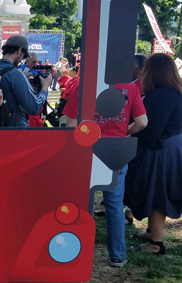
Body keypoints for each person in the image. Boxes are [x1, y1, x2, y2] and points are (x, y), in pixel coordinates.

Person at [64, 77, 147, 267]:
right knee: (115, 205)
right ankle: (117, 255)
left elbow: (70, 124)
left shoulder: (84, 84)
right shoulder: (130, 87)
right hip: (116, 151)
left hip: (87, 151)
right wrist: (124, 131)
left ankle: (75, 255)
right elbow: (142, 122)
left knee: (83, 205)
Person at [127, 53, 182, 255]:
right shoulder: (172, 91)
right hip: (170, 145)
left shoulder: (162, 95)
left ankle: (156, 243)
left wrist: (128, 132)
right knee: (155, 190)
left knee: (158, 194)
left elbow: (151, 128)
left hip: (163, 149)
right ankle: (151, 232)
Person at [0, 35, 51, 127]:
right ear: (19, 51)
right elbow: (34, 107)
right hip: (16, 130)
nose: (22, 59)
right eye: (24, 55)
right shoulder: (15, 74)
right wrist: (44, 88)